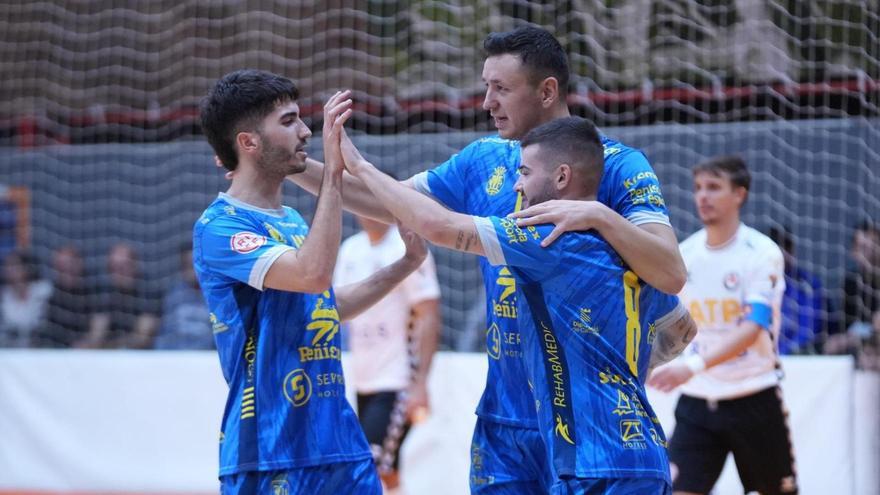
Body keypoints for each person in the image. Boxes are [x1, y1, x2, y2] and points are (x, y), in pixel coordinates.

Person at [282, 25, 687, 492]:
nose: (486, 102)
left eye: (501, 88)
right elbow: (383, 202)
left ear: (547, 90)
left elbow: (670, 272)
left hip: (584, 419)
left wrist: (597, 216)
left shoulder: (616, 166)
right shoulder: (482, 160)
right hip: (505, 414)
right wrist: (291, 165)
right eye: (485, 87)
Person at [337, 116, 695, 493]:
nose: (516, 183)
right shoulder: (628, 254)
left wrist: (360, 167)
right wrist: (622, 368)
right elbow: (682, 328)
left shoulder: (547, 240)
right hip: (637, 449)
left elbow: (438, 226)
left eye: (524, 172)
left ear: (561, 177)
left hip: (595, 462)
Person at [195, 69, 428, 495]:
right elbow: (311, 274)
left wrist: (405, 264)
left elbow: (323, 304)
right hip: (270, 452)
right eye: (288, 122)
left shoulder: (295, 221)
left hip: (340, 443)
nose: (305, 132)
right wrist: (335, 174)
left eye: (301, 119)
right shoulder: (220, 227)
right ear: (248, 143)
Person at [648, 155, 798, 495]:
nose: (703, 196)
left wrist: (692, 366)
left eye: (714, 187)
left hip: (753, 397)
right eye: (699, 188)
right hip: (698, 403)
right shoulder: (684, 255)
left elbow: (754, 327)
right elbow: (669, 325)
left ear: (739, 194)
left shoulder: (761, 252)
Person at [334, 213, 442, 493]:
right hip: (362, 378)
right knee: (387, 468)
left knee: (367, 465)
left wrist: (420, 385)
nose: (365, 210)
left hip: (397, 381)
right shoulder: (351, 250)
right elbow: (337, 310)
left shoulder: (406, 249)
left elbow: (429, 315)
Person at [77, 242, 161, 349]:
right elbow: (96, 335)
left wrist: (107, 347)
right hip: (108, 356)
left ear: (135, 266)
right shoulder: (105, 295)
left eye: (124, 266)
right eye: (114, 268)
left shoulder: (149, 293)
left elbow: (141, 340)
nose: (120, 273)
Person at [767, 225, 830, 354]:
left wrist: (782, 352)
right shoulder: (755, 284)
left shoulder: (808, 285)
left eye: (786, 249)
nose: (781, 255)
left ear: (791, 251)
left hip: (800, 357)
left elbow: (809, 331)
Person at [153, 242, 214, 350]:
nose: (192, 271)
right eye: (188, 266)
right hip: (170, 355)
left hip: (205, 356)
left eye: (195, 265)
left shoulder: (215, 295)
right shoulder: (170, 293)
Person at [34, 245, 96, 347]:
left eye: (70, 264)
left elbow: (97, 330)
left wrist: (89, 343)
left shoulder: (94, 294)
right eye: (61, 266)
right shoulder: (49, 293)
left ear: (79, 263)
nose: (66, 269)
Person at [0, 250, 51, 347]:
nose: (9, 270)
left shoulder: (42, 290)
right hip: (11, 348)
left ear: (26, 268)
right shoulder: (4, 296)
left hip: (41, 346)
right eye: (7, 266)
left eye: (14, 265)